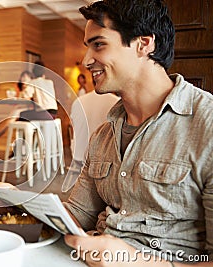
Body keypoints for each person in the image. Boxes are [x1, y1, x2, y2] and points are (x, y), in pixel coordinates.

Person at [63, 0, 213, 265]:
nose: (86, 60)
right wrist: (15, 207)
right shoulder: (103, 135)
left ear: (144, 45)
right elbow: (77, 213)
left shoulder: (207, 124)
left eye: (98, 44)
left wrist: (136, 262)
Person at [63, 88, 119, 192]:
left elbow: (72, 125)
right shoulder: (116, 102)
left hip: (79, 155)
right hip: (105, 162)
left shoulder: (78, 101)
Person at [0, 70, 33, 138]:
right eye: (23, 77)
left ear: (30, 78)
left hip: (30, 110)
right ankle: (5, 130)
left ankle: (3, 130)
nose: (24, 79)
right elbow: (19, 101)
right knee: (17, 109)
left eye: (26, 77)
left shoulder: (31, 88)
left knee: (17, 110)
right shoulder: (21, 88)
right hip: (21, 109)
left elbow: (28, 100)